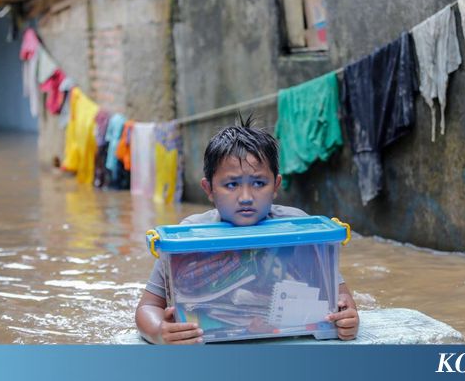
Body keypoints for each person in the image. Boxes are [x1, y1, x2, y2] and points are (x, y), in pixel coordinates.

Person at [135, 114, 359, 344]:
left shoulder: (299, 230)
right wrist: (159, 331)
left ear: (276, 186)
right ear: (209, 189)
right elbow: (148, 307)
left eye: (259, 184)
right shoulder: (188, 238)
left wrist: (348, 318)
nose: (245, 197)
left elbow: (339, 295)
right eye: (231, 185)